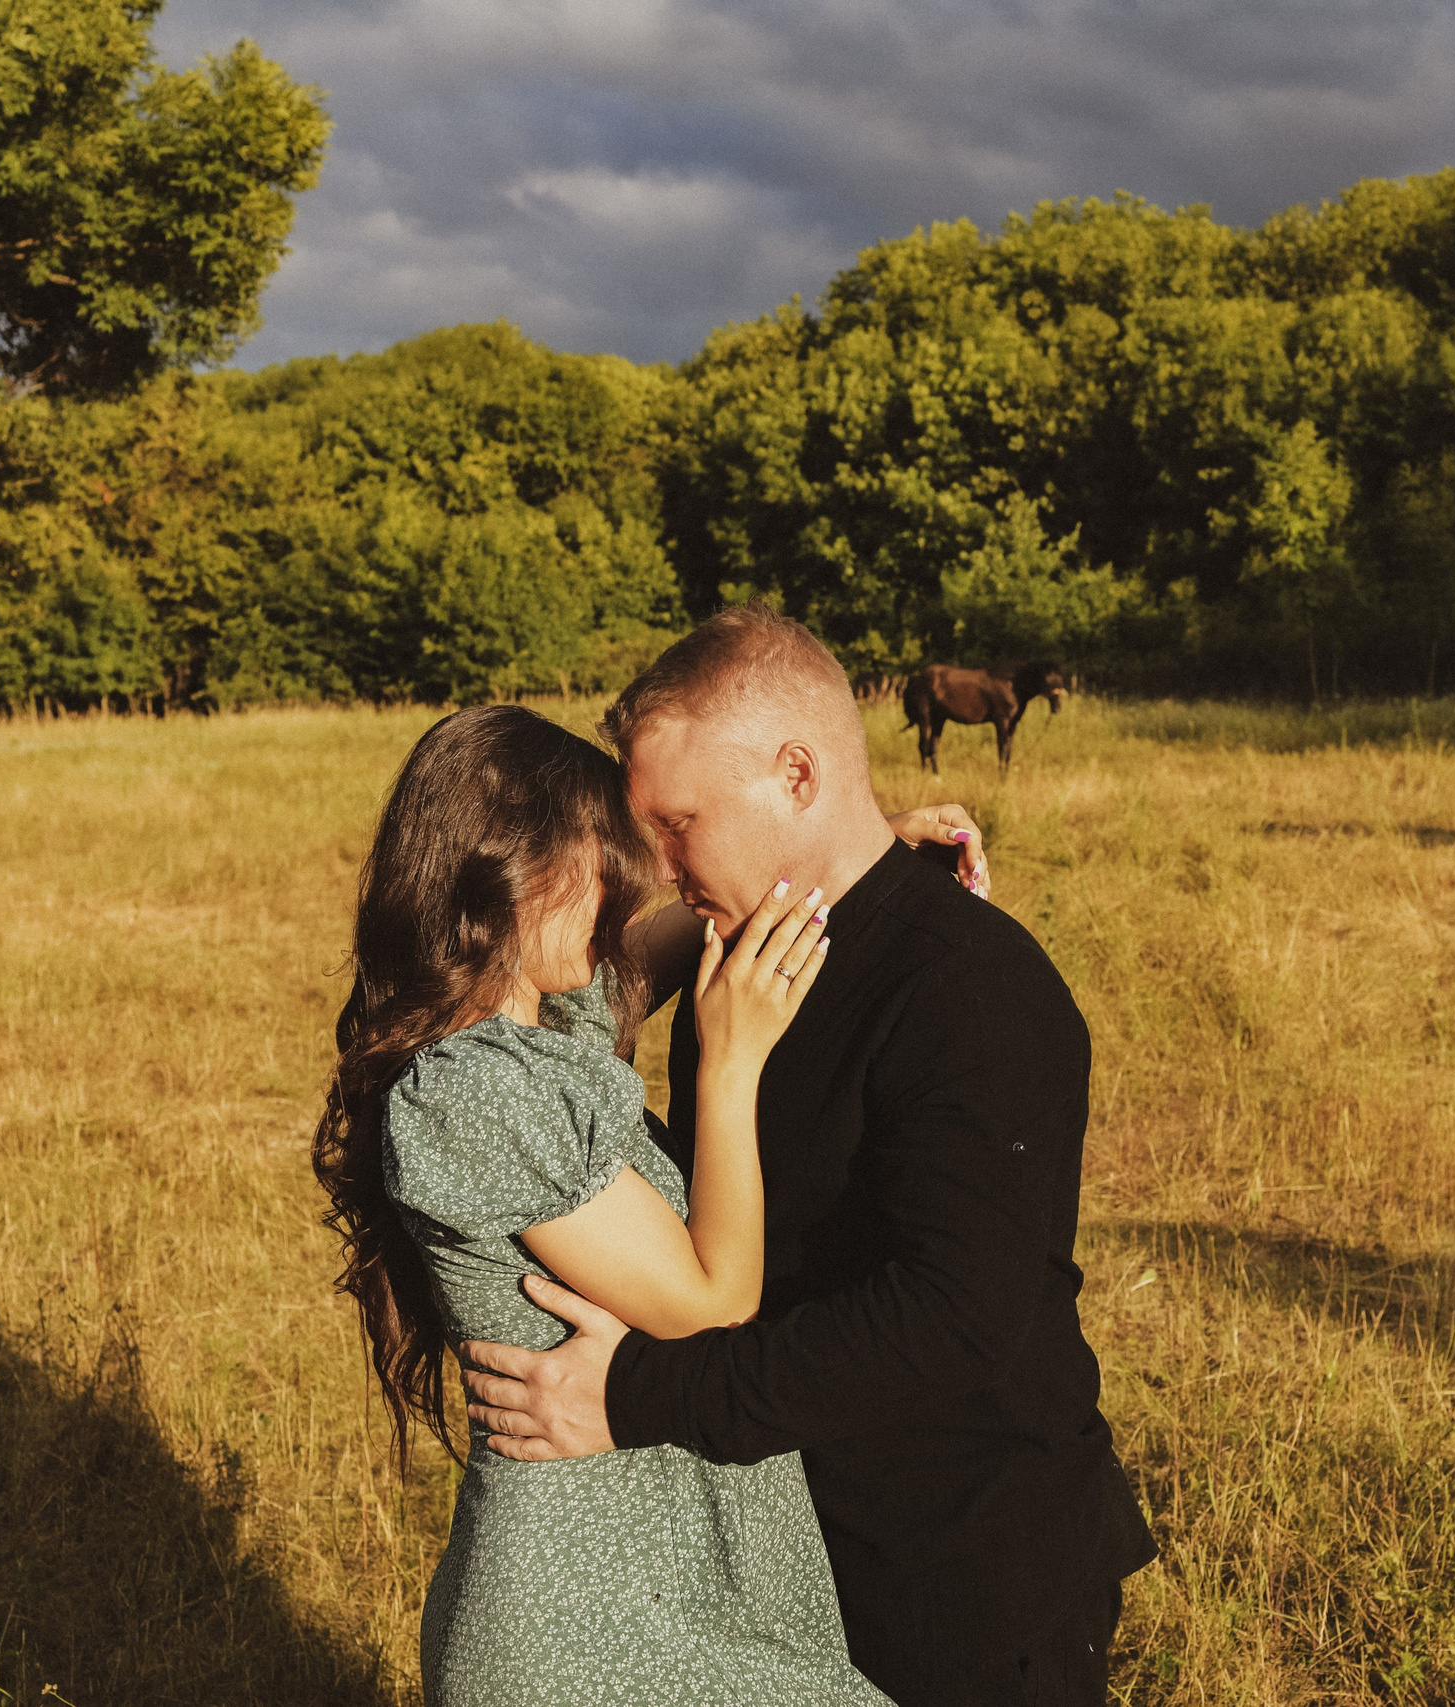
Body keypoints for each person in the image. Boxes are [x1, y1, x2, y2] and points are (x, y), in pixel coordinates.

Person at [462, 609, 1157, 1707]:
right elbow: (545, 1009)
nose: (657, 864)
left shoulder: (969, 989)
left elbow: (955, 1319)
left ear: (797, 774)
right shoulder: (736, 961)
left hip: (965, 1574)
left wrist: (636, 1398)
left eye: (679, 823)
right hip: (801, 1548)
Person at [311, 701, 986, 1706]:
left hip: (648, 1585)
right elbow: (714, 1302)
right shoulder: (474, 1089)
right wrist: (732, 1067)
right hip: (588, 1621)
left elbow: (648, 960)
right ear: (514, 866)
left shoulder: (534, 1040)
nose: (635, 884)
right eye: (604, 862)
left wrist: (854, 853)